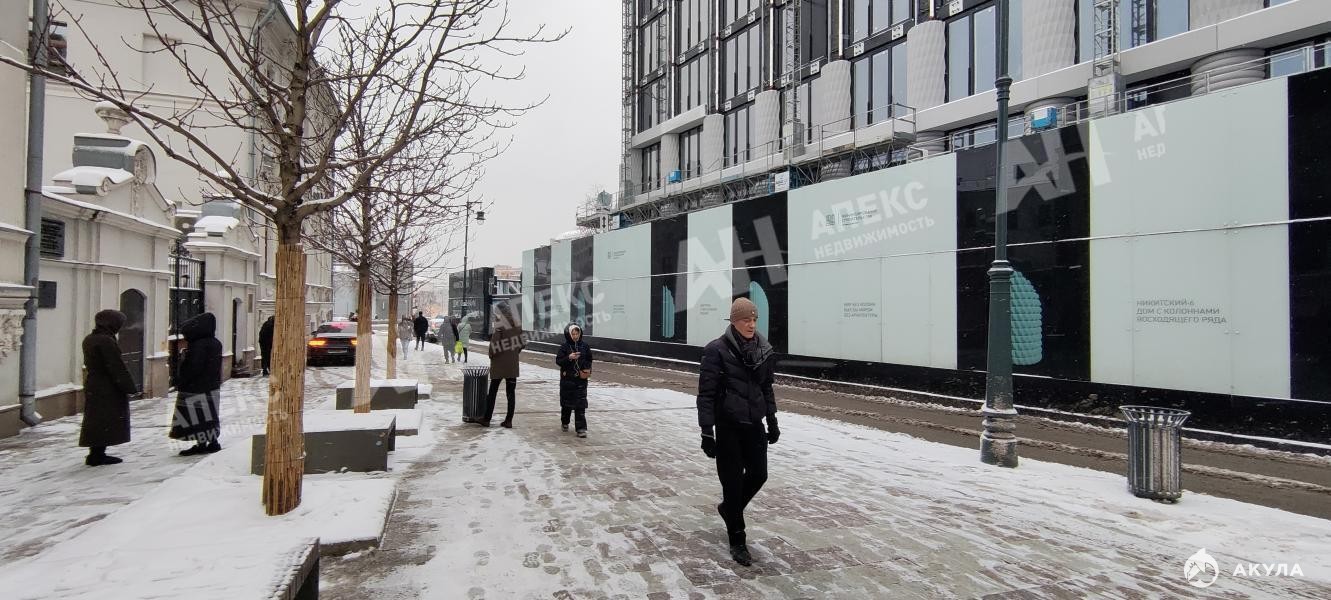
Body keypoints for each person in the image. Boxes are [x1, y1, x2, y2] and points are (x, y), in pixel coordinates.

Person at [696, 297, 779, 567]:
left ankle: (728, 509)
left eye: (754, 320)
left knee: (759, 474)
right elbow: (706, 394)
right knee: (731, 484)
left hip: (754, 425)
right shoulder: (716, 351)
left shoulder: (763, 350)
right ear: (734, 321)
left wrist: (772, 420)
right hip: (728, 426)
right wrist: (707, 431)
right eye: (746, 320)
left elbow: (766, 388)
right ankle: (737, 540)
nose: (751, 325)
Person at [80, 309, 139, 466]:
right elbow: (116, 366)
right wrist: (129, 387)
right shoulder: (105, 341)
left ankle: (96, 451)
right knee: (105, 419)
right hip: (107, 386)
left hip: (94, 383)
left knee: (96, 418)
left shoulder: (90, 339)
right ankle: (97, 454)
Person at [170, 313, 224, 456]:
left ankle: (202, 444)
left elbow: (194, 367)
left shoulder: (199, 345)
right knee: (209, 414)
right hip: (210, 385)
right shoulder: (215, 343)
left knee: (197, 416)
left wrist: (182, 379)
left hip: (196, 387)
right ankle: (211, 442)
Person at [481, 303, 525, 428]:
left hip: (499, 364)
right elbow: (522, 343)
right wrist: (514, 353)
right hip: (512, 365)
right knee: (511, 393)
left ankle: (486, 419)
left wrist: (491, 355)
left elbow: (495, 344)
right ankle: (508, 420)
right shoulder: (517, 324)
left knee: (493, 391)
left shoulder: (500, 324)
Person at [555, 323, 593, 437]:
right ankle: (565, 422)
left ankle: (581, 429)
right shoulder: (564, 347)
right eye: (573, 334)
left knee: (580, 405)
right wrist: (569, 358)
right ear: (569, 334)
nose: (575, 336)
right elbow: (558, 361)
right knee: (566, 404)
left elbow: (589, 359)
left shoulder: (585, 346)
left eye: (577, 333)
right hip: (567, 380)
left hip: (580, 380)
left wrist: (586, 369)